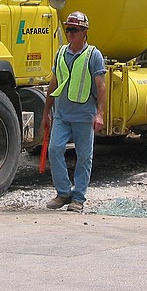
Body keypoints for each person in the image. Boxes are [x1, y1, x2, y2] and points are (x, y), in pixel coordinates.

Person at [42, 11, 106, 213]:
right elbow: (53, 83)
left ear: (84, 32)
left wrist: (100, 114)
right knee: (55, 149)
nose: (70, 33)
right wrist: (46, 112)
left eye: (74, 30)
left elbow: (101, 86)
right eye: (68, 29)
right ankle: (63, 193)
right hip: (62, 114)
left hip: (83, 116)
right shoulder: (61, 53)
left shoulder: (93, 55)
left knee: (84, 157)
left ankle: (78, 198)